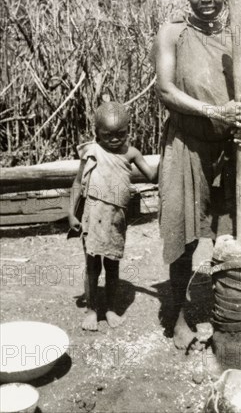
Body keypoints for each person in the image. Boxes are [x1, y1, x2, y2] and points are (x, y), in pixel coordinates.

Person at [154, 0, 241, 350]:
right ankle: (179, 315)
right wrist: (214, 112)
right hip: (187, 145)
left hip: (227, 151)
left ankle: (226, 313)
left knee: (226, 235)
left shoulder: (237, 39)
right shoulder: (172, 34)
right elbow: (165, 90)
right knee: (182, 236)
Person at [68, 101, 158, 331]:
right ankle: (91, 310)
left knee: (112, 265)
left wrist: (170, 154)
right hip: (92, 214)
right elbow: (78, 183)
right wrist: (71, 213)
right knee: (91, 266)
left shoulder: (131, 153)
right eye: (108, 135)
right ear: (96, 132)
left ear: (129, 130)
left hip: (116, 218)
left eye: (121, 134)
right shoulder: (91, 151)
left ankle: (109, 308)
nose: (115, 139)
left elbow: (152, 176)